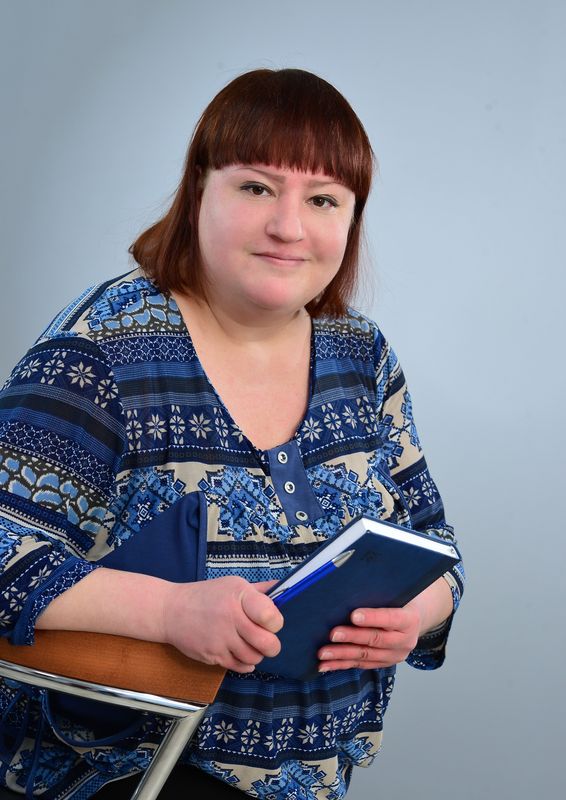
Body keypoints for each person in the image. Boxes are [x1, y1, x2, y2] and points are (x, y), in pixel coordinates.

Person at [0, 68, 464, 798]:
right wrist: (170, 612)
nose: (289, 227)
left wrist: (414, 612)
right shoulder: (101, 351)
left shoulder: (362, 356)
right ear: (198, 191)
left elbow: (436, 547)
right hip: (128, 774)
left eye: (323, 199)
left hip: (313, 780)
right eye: (256, 188)